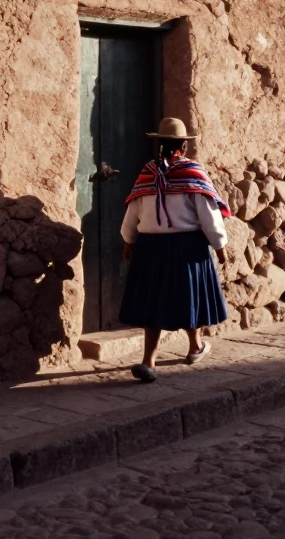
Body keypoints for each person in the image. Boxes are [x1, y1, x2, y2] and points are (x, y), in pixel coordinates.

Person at [118, 117, 230, 383]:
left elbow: (133, 211)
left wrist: (128, 240)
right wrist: (220, 245)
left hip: (150, 247)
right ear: (184, 146)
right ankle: (194, 347)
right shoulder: (193, 173)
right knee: (188, 297)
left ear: (159, 145)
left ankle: (150, 361)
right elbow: (208, 215)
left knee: (153, 302)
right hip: (187, 248)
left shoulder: (148, 173)